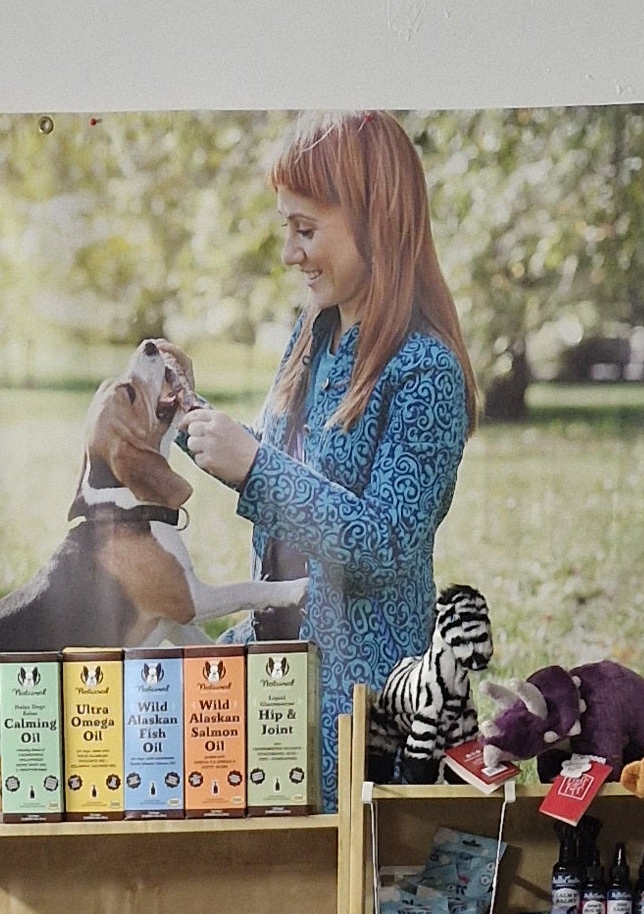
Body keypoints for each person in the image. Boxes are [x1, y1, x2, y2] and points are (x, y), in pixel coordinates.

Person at [179, 111, 480, 808]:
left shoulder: (425, 370)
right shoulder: (314, 332)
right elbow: (277, 462)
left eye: (306, 229)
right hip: (279, 673)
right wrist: (189, 413)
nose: (290, 253)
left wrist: (253, 468)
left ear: (377, 223)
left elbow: (386, 544)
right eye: (286, 227)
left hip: (361, 707)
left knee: (341, 867)